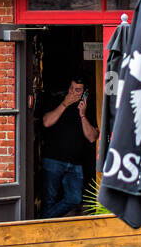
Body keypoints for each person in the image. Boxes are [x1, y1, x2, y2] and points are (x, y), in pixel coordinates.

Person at [37, 76, 98, 218]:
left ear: (85, 92)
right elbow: (46, 122)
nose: (73, 92)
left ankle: (44, 221)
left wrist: (82, 115)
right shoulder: (58, 99)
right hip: (53, 160)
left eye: (78, 90)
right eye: (71, 88)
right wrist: (64, 104)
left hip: (75, 163)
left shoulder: (88, 107)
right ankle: (46, 227)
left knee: (75, 198)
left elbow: (92, 137)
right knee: (49, 200)